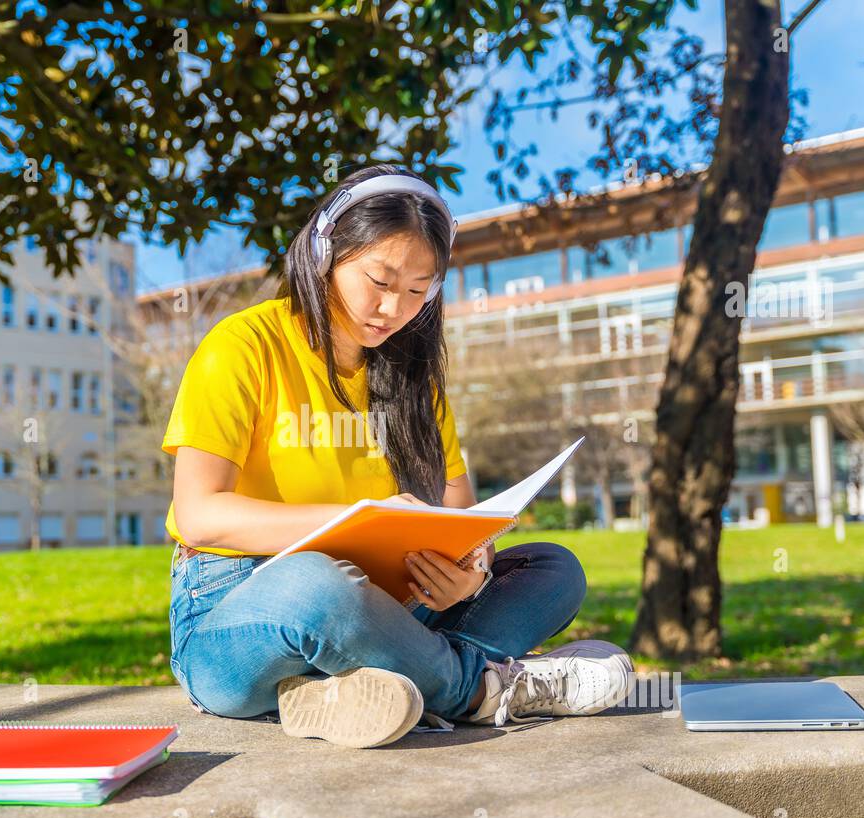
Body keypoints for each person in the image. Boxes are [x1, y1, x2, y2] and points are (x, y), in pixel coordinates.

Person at [161, 164, 634, 748]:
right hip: (242, 612)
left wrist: (473, 573)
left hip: (394, 605)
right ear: (325, 253)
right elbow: (199, 514)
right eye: (379, 280)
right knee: (316, 585)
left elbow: (464, 517)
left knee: (552, 570)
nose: (392, 308)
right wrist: (359, 516)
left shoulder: (413, 378)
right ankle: (483, 690)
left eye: (417, 291)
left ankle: (342, 691)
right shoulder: (242, 345)